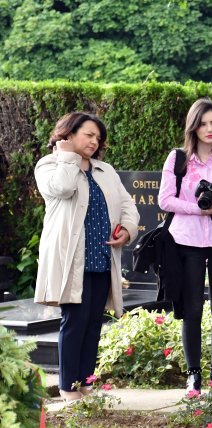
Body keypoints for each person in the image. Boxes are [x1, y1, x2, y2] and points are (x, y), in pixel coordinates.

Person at [34, 112, 139, 401]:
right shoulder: (49, 165)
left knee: (94, 323)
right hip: (72, 259)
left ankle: (86, 383)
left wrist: (127, 231)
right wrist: (67, 156)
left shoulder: (105, 171)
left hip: (102, 257)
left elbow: (128, 206)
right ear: (69, 133)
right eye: (88, 135)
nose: (94, 141)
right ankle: (68, 387)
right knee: (75, 322)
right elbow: (62, 188)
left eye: (98, 137)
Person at [157, 97, 212, 398]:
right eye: (203, 123)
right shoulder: (178, 159)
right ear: (192, 127)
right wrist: (198, 209)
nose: (209, 129)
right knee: (193, 309)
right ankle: (193, 377)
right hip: (187, 242)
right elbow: (165, 200)